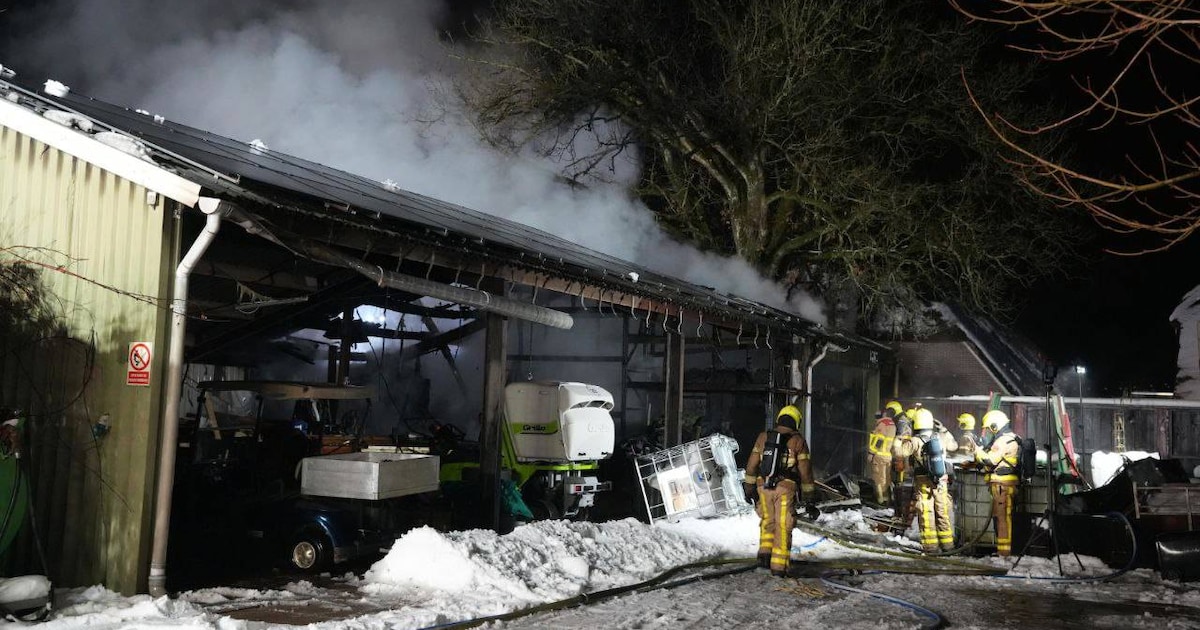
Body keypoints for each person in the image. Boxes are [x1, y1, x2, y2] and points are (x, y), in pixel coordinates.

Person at [742, 405, 815, 577]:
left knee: (768, 519)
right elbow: (805, 473)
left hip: (763, 486)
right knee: (783, 525)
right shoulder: (798, 441)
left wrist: (750, 488)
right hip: (785, 488)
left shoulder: (763, 437)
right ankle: (779, 567)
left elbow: (752, 465)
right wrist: (810, 498)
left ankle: (764, 557)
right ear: (797, 421)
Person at [894, 408, 958, 553]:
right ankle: (948, 546)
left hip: (923, 480)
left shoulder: (916, 441)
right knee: (942, 512)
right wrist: (944, 429)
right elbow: (954, 446)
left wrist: (898, 438)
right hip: (941, 481)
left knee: (926, 512)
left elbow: (898, 452)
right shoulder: (940, 437)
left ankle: (930, 547)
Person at [975, 409, 1021, 557]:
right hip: (1007, 484)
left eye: (990, 428)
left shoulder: (1002, 441)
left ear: (995, 426)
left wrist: (977, 451)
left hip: (1002, 486)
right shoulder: (1013, 437)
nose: (990, 431)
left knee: (1002, 519)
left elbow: (990, 460)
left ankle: (1004, 552)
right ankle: (1004, 550)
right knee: (1003, 517)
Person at [866, 401, 902, 505]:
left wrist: (871, 453)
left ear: (885, 414)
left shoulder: (882, 424)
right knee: (886, 478)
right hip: (888, 456)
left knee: (878, 479)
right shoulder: (893, 425)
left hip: (879, 455)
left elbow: (879, 440)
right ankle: (886, 499)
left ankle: (879, 501)